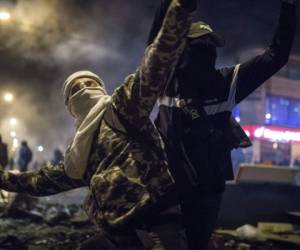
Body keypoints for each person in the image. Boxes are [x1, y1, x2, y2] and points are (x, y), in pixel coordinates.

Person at [0, 0, 196, 249]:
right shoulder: (77, 154)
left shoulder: (122, 108)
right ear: (70, 106)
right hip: (119, 233)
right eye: (75, 89)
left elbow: (156, 65)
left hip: (156, 222)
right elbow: (39, 182)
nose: (84, 89)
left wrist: (178, 13)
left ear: (102, 89)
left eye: (90, 83)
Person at [147, 0, 297, 249]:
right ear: (183, 47)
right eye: (200, 43)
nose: (207, 48)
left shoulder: (227, 81)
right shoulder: (165, 78)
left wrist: (289, 7)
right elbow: (155, 46)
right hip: (167, 187)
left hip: (207, 190)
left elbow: (276, 56)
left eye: (210, 44)